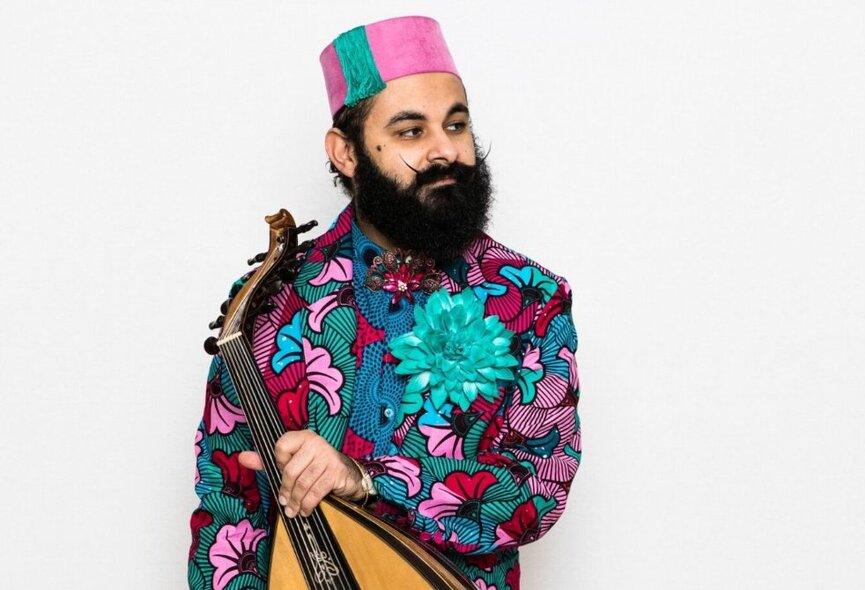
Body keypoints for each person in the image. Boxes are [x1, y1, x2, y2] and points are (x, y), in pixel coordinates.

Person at [189, 16, 581, 590]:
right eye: (410, 132)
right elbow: (228, 515)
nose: (445, 150)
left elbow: (534, 492)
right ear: (346, 153)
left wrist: (370, 479)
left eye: (456, 124)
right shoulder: (273, 303)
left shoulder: (531, 299)